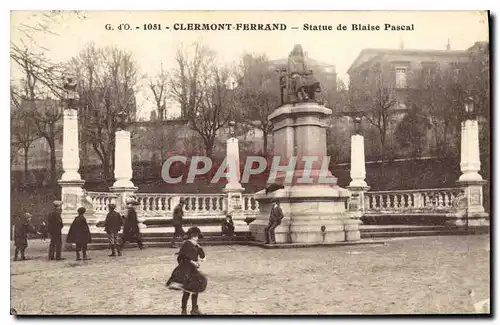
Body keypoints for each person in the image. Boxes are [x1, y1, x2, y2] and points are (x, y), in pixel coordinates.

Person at [166, 227, 207, 315]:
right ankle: (184, 310)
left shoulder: (195, 244)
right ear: (193, 236)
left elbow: (203, 256)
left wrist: (198, 247)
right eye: (197, 236)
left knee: (195, 289)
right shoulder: (187, 244)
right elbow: (181, 257)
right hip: (187, 270)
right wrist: (192, 262)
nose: (198, 238)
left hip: (194, 270)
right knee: (187, 291)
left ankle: (194, 309)